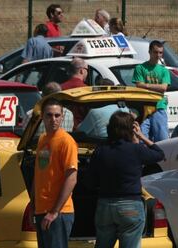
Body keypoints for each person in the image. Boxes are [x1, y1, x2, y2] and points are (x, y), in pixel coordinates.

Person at [86, 111, 165, 247]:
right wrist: (141, 136)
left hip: (105, 206)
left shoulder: (100, 151)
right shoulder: (136, 150)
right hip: (131, 205)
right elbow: (159, 154)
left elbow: (90, 182)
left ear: (110, 128)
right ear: (131, 129)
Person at [32, 97, 78, 248]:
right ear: (42, 117)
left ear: (62, 116)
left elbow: (71, 179)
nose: (53, 119)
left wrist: (54, 211)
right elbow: (40, 173)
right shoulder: (42, 139)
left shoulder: (66, 141)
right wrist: (34, 204)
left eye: (57, 115)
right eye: (49, 115)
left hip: (59, 212)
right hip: (42, 210)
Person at [132, 40, 171, 142]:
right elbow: (138, 85)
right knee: (141, 140)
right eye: (155, 52)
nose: (158, 55)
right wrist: (154, 87)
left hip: (159, 108)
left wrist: (146, 85)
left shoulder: (164, 70)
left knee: (162, 141)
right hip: (143, 109)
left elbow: (163, 88)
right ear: (149, 52)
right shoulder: (140, 68)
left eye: (160, 52)